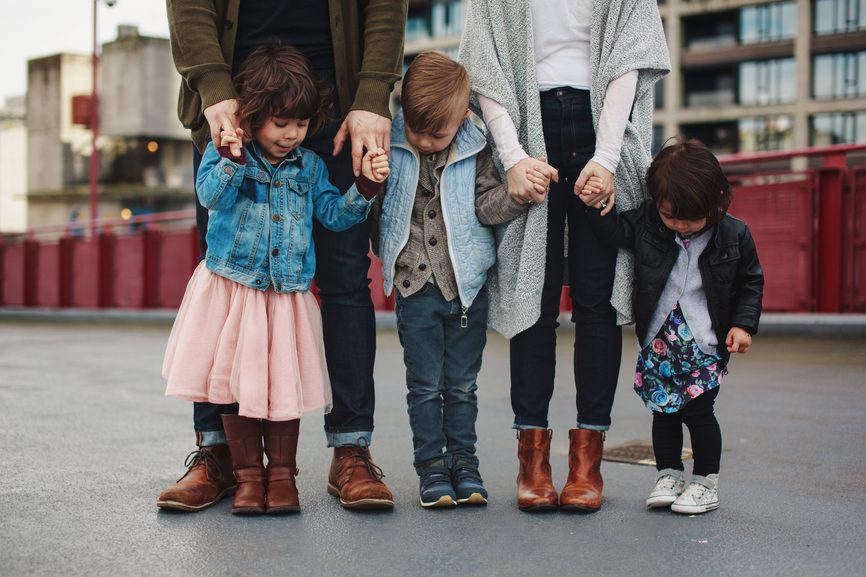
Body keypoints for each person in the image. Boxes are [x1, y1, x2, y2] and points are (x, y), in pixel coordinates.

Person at [159, 0, 407, 512]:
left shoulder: (311, 161)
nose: (289, 135)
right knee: (224, 286)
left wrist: (373, 93)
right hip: (232, 103)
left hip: (333, 98)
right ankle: (218, 452)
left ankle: (350, 448)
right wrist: (214, 92)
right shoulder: (228, 142)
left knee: (345, 279)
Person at [458, 0, 670, 511]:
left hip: (603, 124)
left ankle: (586, 463)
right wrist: (511, 156)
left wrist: (608, 157)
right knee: (534, 299)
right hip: (530, 125)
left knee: (598, 304)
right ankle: (533, 461)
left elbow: (630, 59)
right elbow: (485, 66)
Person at [370, 52, 551, 507]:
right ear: (403, 110)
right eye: (417, 129)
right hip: (415, 289)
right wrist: (371, 184)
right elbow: (379, 216)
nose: (427, 141)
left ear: (463, 117)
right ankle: (432, 468)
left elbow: (486, 208)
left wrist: (517, 196)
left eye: (438, 133)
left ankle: (464, 463)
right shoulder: (386, 144)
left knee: (463, 386)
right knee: (426, 386)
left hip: (467, 288)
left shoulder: (477, 146)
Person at [578, 136, 764, 514]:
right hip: (659, 342)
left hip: (704, 343)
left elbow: (750, 282)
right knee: (663, 412)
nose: (679, 225)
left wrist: (743, 326)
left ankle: (705, 481)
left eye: (690, 219)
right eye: (669, 216)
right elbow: (615, 233)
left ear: (717, 201)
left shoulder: (734, 234)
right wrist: (598, 205)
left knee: (698, 413)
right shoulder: (650, 221)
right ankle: (669, 473)